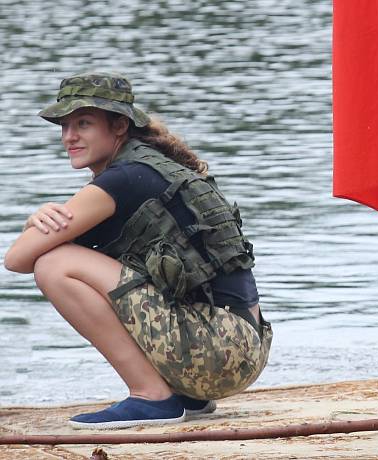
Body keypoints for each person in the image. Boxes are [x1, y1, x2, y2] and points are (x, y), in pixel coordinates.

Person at [4, 71, 273, 430]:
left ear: (119, 126)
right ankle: (184, 397)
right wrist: (38, 223)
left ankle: (151, 396)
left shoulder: (123, 179)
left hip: (219, 352)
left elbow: (17, 259)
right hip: (242, 347)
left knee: (54, 265)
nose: (69, 137)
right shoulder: (153, 167)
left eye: (83, 123)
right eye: (64, 126)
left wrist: (33, 222)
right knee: (68, 257)